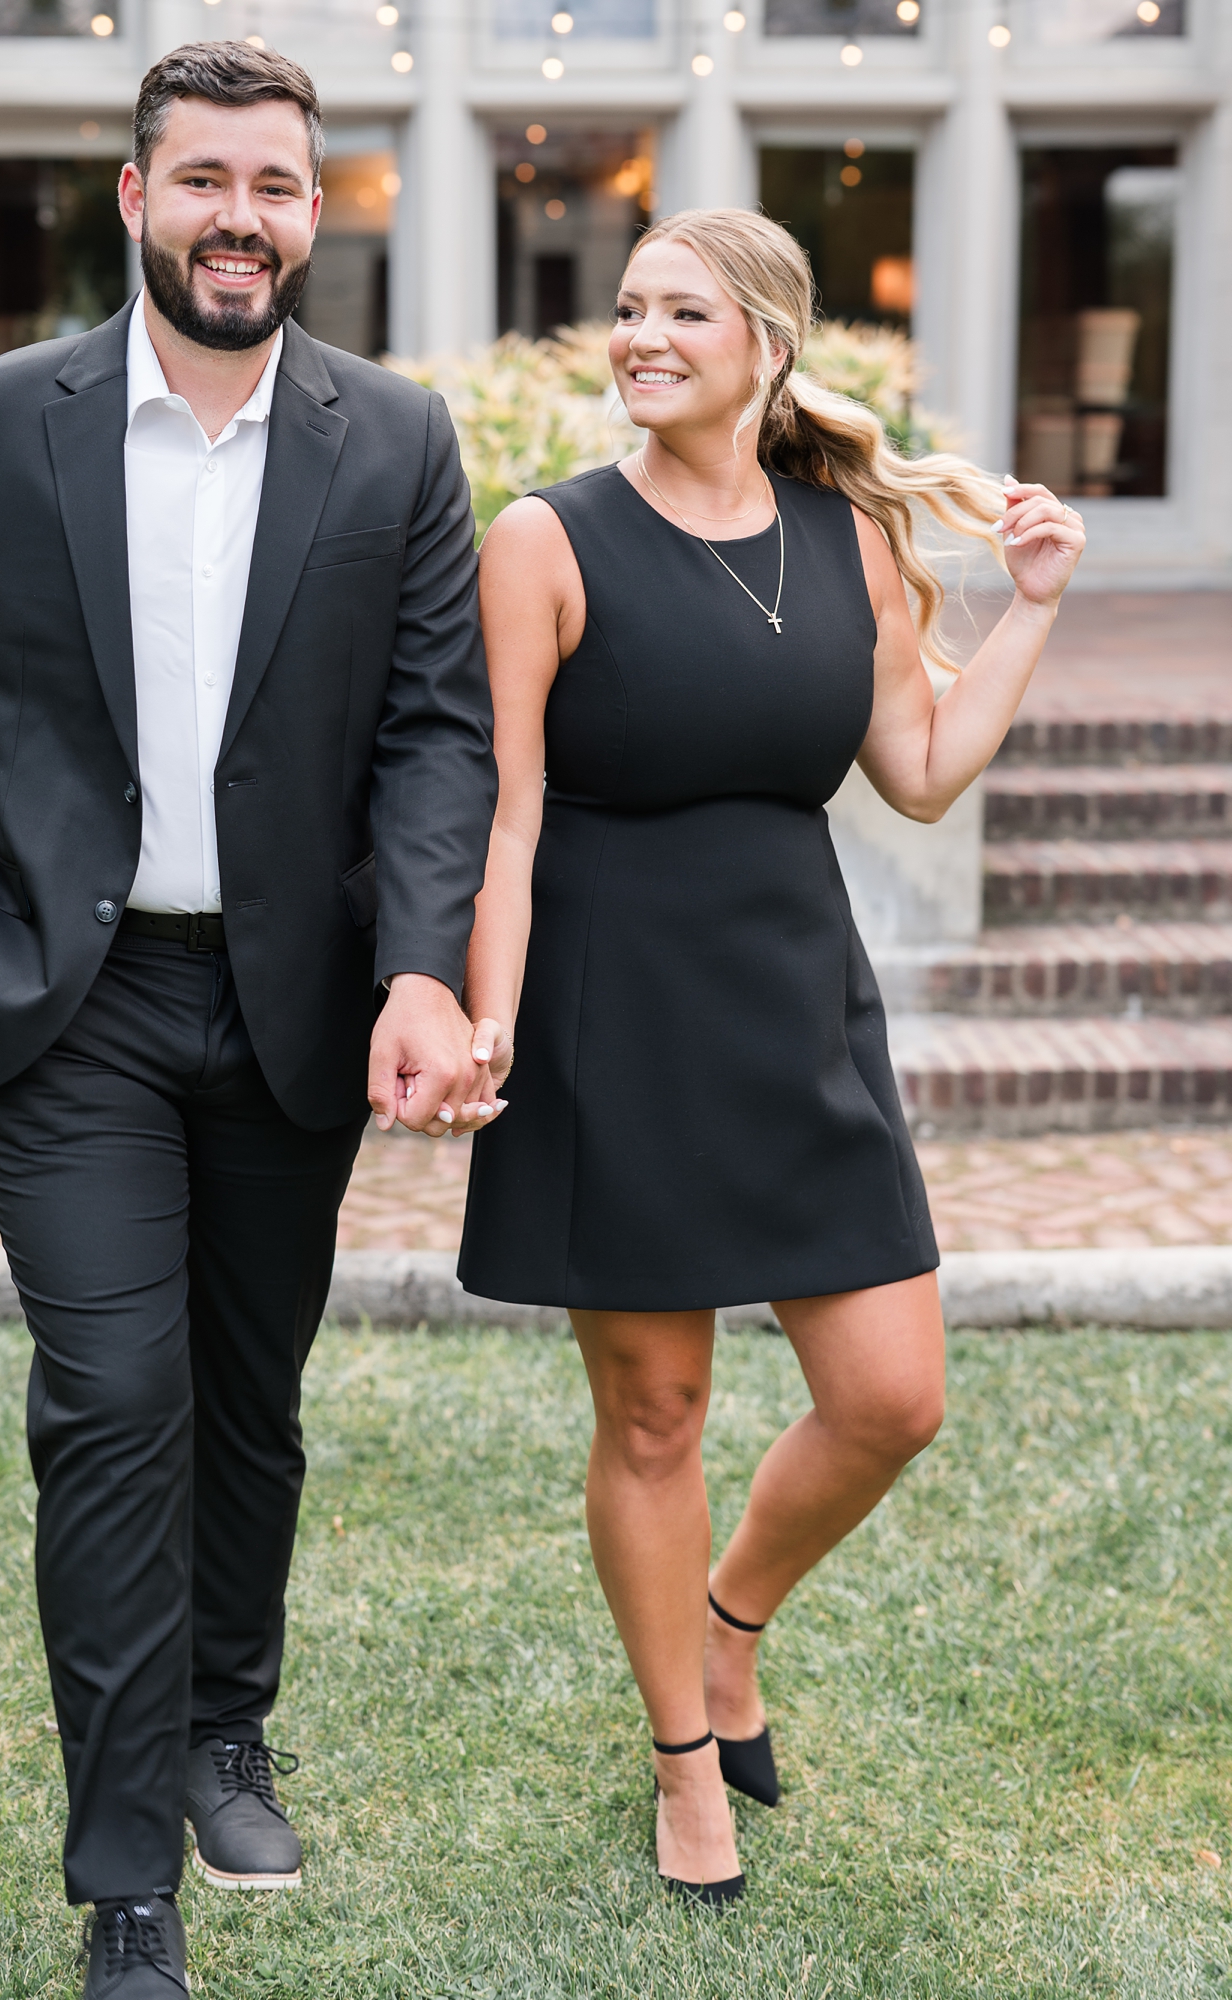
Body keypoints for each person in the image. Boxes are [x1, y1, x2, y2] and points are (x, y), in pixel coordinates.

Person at [0, 41, 499, 1998]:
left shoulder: (395, 437)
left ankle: (229, 1721)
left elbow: (435, 730)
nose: (242, 215)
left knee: (249, 1399)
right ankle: (126, 1866)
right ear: (132, 197)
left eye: (278, 184)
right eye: (204, 177)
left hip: (295, 1004)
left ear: (320, 209)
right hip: (71, 1005)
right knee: (115, 1402)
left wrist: (419, 959)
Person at [457, 207, 1085, 1904]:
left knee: (892, 1397)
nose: (642, 335)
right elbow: (503, 818)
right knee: (654, 1408)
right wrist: (489, 1010)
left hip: (794, 1001)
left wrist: (1025, 608)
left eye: (685, 311)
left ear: (770, 346)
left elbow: (927, 765)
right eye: (630, 306)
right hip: (605, 1007)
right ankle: (682, 1759)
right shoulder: (546, 539)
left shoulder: (849, 542)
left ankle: (731, 1626)